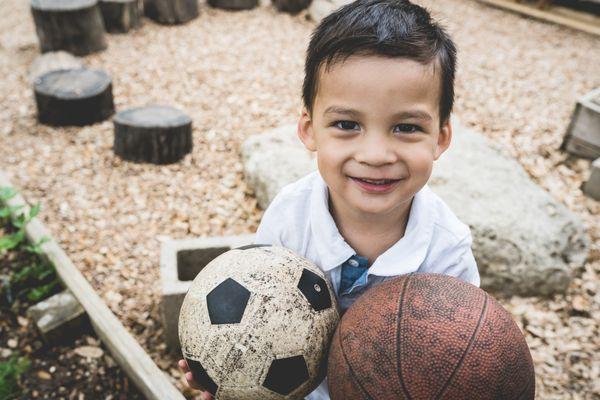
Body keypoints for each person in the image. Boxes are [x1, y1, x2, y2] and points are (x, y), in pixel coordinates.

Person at [179, 0, 480, 398]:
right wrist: (232, 374)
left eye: (406, 127)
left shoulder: (447, 251)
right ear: (309, 130)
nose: (375, 154)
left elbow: (462, 359)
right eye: (346, 124)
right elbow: (255, 320)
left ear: (440, 137)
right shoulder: (291, 214)